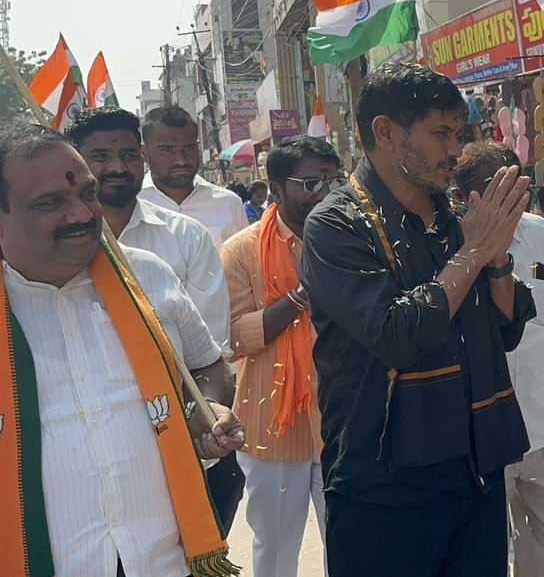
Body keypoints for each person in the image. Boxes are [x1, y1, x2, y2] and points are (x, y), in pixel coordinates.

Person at [299, 63, 535, 577]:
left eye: (459, 133)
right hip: (385, 488)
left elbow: (506, 330)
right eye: (440, 134)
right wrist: (474, 252)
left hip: (474, 471)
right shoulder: (336, 224)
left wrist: (495, 258)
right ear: (386, 133)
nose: (455, 151)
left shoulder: (452, 219)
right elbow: (397, 336)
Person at [0, 123, 245, 577]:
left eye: (86, 195)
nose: (80, 214)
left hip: (162, 561)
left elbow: (208, 363)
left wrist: (204, 406)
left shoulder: (146, 277)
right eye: (51, 202)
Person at [65, 106, 242, 534]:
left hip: (186, 442)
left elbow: (207, 352)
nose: (116, 167)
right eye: (100, 156)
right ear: (74, 165)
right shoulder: (51, 252)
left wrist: (203, 411)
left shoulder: (176, 243)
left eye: (128, 155)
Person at [221, 137, 341, 577]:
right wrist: (301, 295)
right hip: (271, 423)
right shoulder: (241, 250)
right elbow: (234, 336)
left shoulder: (350, 239)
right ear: (275, 187)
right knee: (274, 551)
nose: (324, 193)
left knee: (349, 543)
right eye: (311, 183)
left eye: (333, 180)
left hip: (341, 419)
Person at [453, 142, 544, 577]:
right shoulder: (452, 243)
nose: (517, 193)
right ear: (470, 196)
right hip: (483, 431)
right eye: (502, 186)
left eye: (520, 182)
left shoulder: (541, 232)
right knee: (483, 554)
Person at [139, 105, 249, 246]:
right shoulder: (132, 204)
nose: (181, 160)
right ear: (144, 153)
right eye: (167, 149)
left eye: (189, 148)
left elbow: (243, 264)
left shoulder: (229, 203)